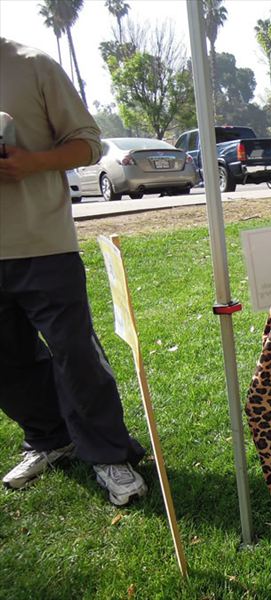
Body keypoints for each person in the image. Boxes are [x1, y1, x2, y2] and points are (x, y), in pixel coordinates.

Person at [0, 38, 147, 506]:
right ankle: (48, 437)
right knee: (7, 361)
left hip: (42, 243)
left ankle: (108, 453)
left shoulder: (33, 65)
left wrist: (31, 163)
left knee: (74, 354)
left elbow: (88, 144)